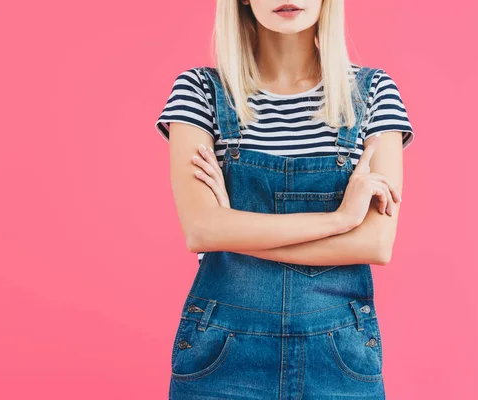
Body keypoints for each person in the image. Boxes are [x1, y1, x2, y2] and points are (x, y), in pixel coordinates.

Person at [154, 1, 414, 398]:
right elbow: (201, 230)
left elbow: (375, 244)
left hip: (338, 357)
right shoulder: (200, 91)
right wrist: (340, 220)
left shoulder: (373, 94)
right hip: (223, 355)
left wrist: (234, 232)